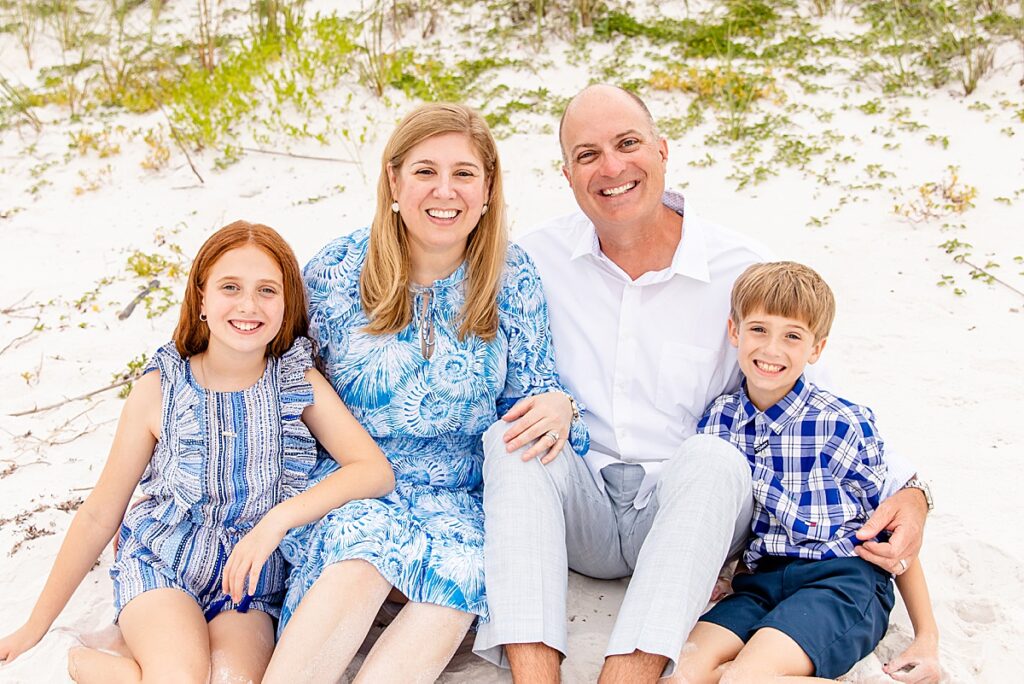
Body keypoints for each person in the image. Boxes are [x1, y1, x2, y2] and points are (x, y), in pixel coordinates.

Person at [474, 84, 932, 682]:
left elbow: (815, 397)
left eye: (628, 143)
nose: (611, 167)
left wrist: (915, 491)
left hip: (689, 510)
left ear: (663, 151)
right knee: (509, 442)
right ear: (567, 173)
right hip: (580, 502)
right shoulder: (533, 259)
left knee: (714, 455)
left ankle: (627, 676)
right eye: (587, 154)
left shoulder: (739, 267)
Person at [262, 102, 588, 683]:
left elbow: (534, 393)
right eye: (425, 171)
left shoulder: (511, 276)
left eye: (464, 173)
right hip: (353, 483)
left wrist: (561, 405)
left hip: (460, 497)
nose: (446, 190)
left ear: (488, 189)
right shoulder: (335, 272)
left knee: (459, 576)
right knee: (360, 548)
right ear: (393, 180)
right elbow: (278, 388)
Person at [0, 221, 394, 683]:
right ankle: (85, 660)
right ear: (202, 298)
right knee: (179, 677)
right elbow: (100, 512)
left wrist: (277, 521)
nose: (249, 305)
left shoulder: (294, 383)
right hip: (163, 567)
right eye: (231, 287)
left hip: (247, 584)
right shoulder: (161, 389)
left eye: (267, 290)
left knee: (233, 680)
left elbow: (373, 470)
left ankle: (129, 661)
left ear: (286, 305)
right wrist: (34, 626)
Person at [678, 261, 940, 682]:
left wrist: (927, 636)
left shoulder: (843, 422)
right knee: (683, 673)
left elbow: (896, 537)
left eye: (793, 336)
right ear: (734, 332)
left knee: (745, 677)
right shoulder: (718, 421)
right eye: (759, 329)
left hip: (841, 580)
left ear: (815, 349)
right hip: (761, 581)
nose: (771, 350)